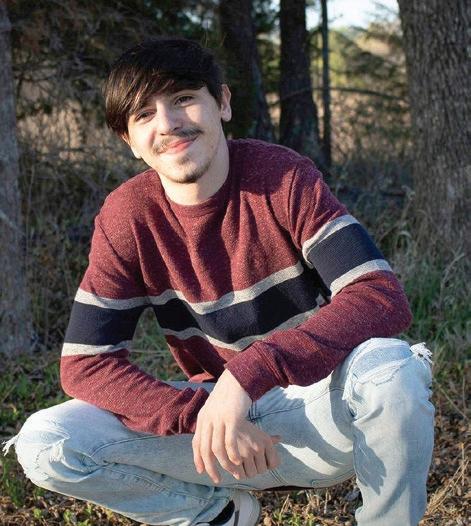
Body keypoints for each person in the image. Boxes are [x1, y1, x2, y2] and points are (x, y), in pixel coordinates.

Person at [4, 38, 435, 526]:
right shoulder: (127, 217)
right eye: (144, 114)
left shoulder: (281, 177)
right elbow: (86, 363)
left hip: (315, 410)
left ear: (223, 102)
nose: (168, 123)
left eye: (184, 98)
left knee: (392, 370)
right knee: (46, 441)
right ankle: (219, 514)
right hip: (212, 436)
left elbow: (379, 295)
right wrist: (200, 413)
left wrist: (246, 375)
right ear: (129, 140)